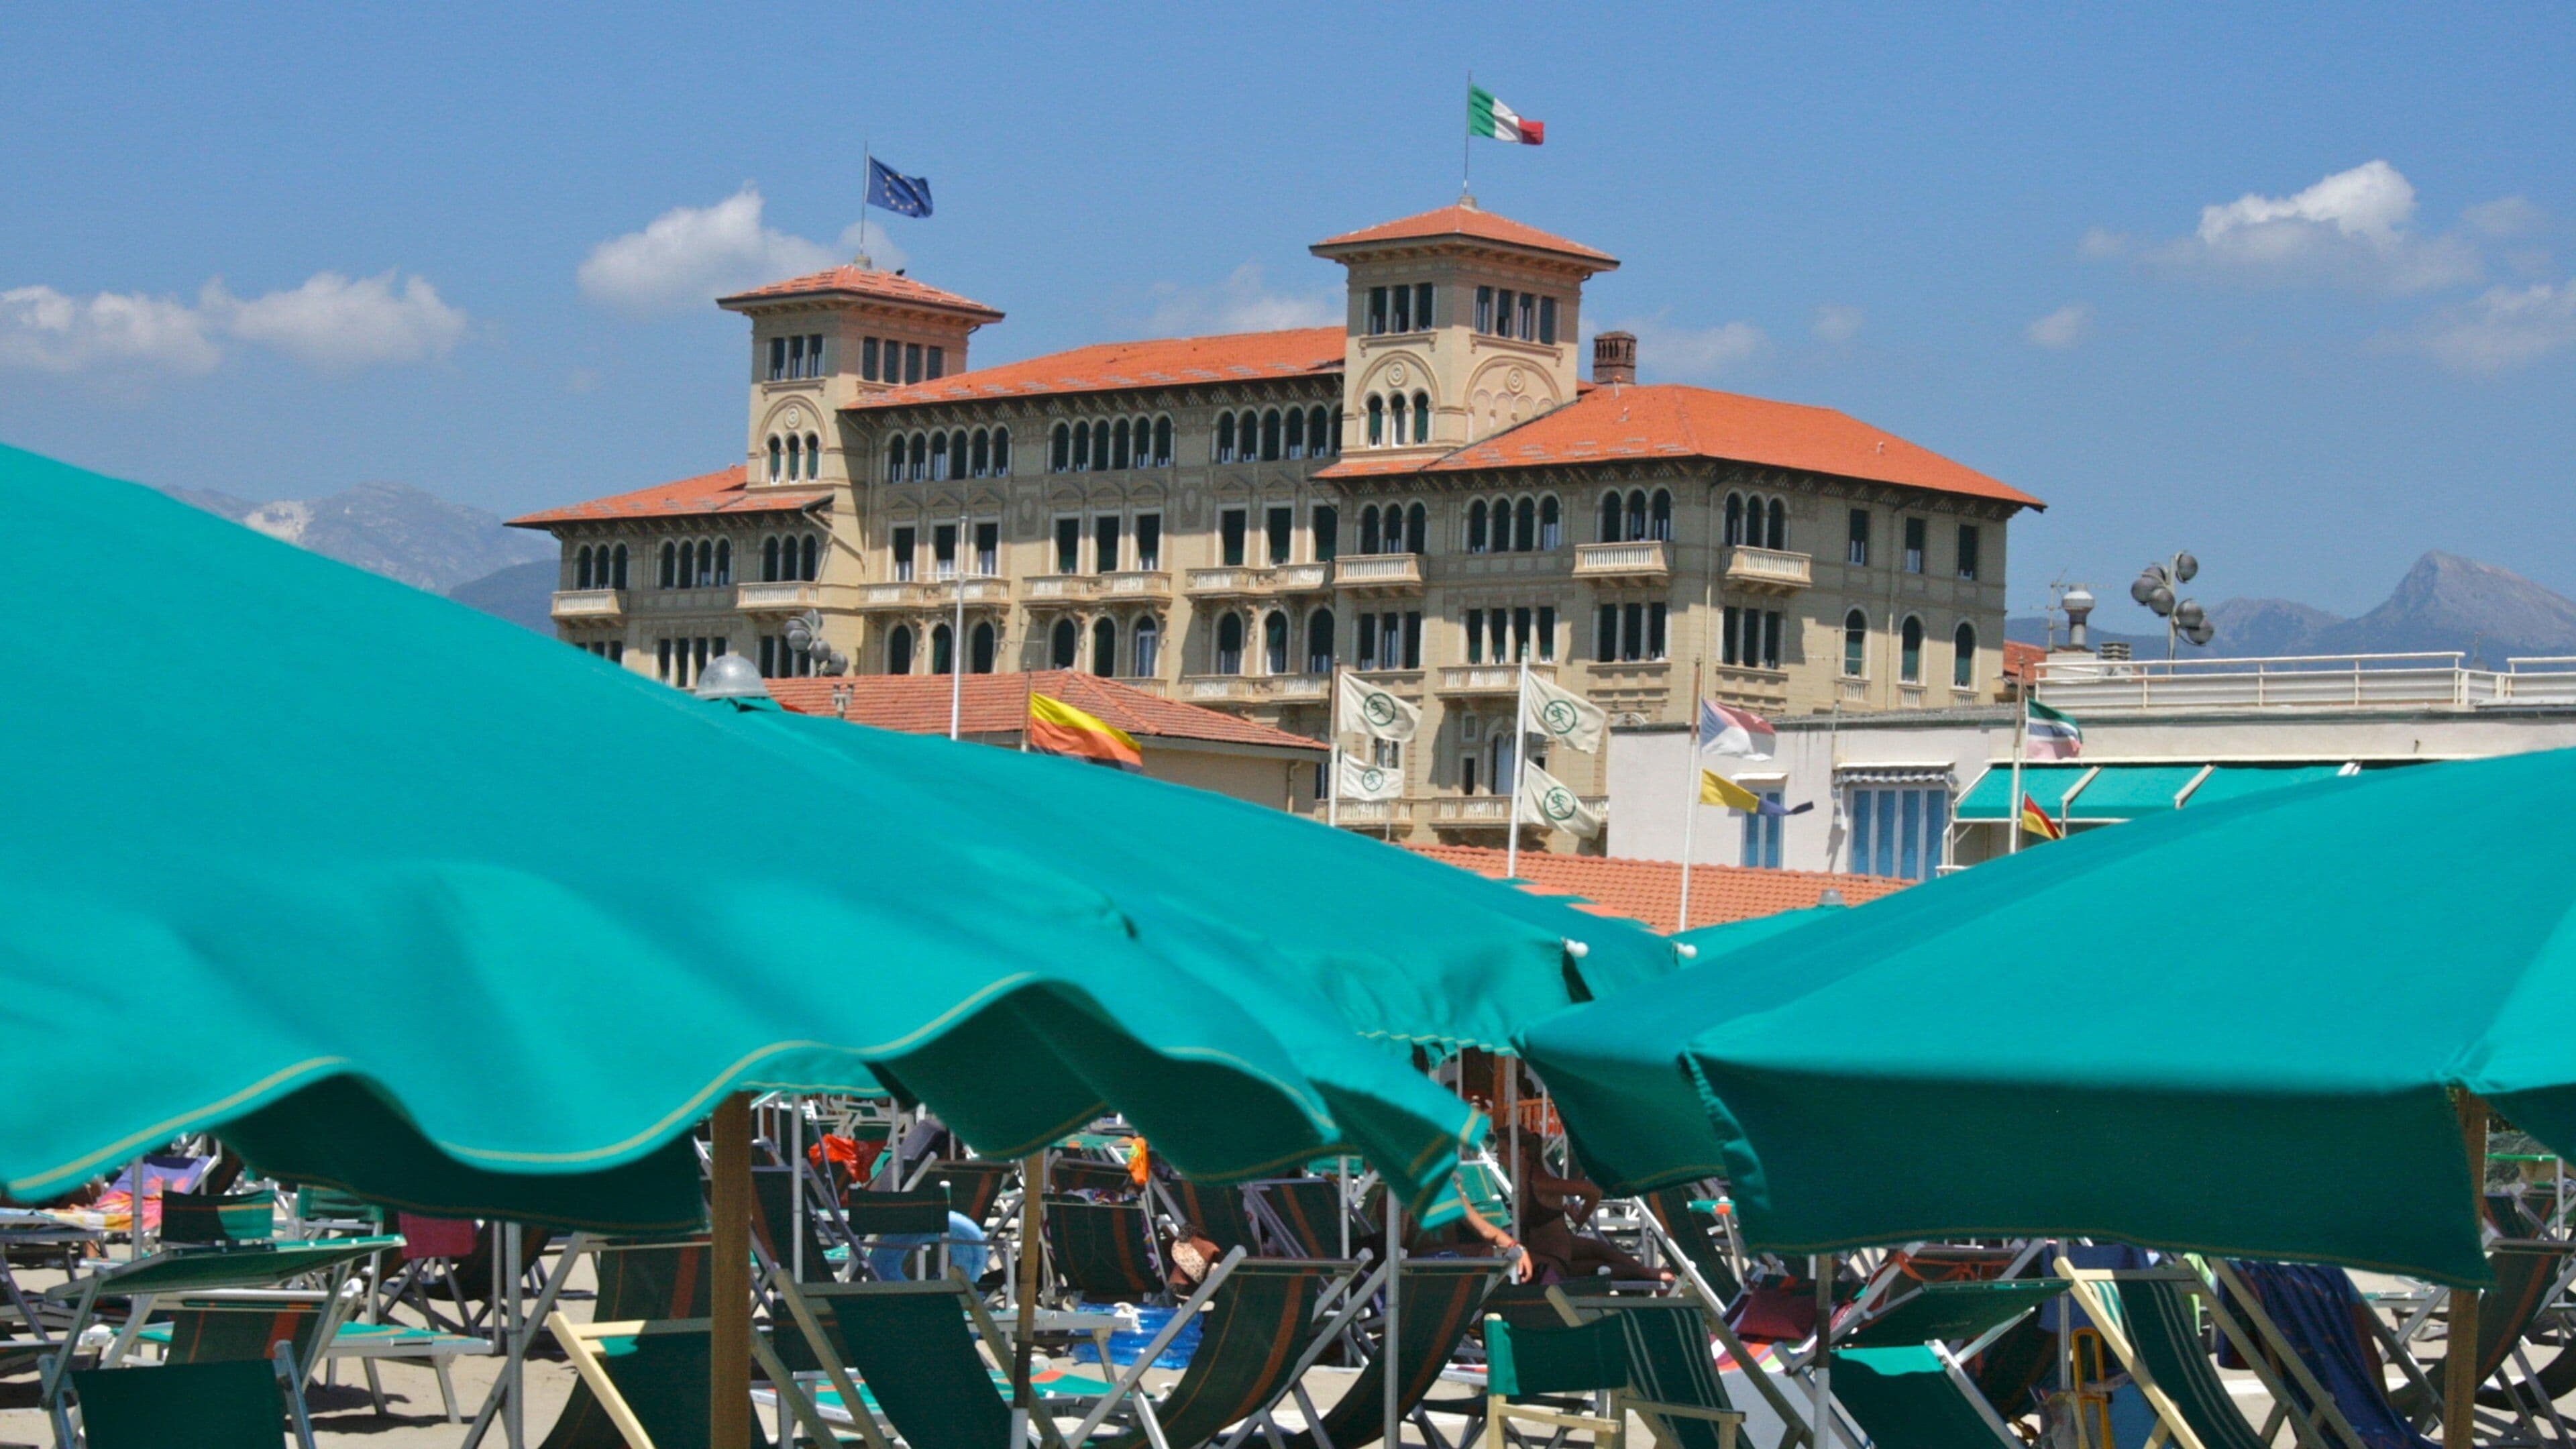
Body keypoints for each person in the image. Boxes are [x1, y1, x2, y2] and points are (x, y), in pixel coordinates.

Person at [1506, 1138, 1670, 1287]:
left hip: (1552, 1255)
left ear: (1521, 1152)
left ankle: (1646, 1275)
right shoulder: (1525, 1178)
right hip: (1551, 1251)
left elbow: (1593, 1191)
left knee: (1599, 1256)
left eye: (1502, 1151)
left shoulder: (1538, 1181)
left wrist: (1580, 1219)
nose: (1498, 1157)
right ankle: (1646, 1275)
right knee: (1598, 1260)